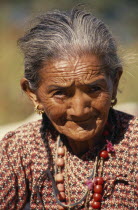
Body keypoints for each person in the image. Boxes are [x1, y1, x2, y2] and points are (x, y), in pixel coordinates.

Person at [0, 6, 137, 210]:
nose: (79, 110)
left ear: (114, 83)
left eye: (94, 89)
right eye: (60, 93)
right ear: (33, 94)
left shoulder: (133, 145)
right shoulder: (20, 149)